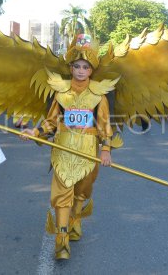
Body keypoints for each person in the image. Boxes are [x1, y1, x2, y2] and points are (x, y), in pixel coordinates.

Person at [21, 34, 113, 260]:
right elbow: (51, 121)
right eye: (77, 66)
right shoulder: (61, 93)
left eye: (85, 67)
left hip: (88, 149)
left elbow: (104, 124)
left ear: (91, 71)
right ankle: (61, 239)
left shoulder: (99, 95)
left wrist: (106, 149)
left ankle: (76, 220)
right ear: (71, 68)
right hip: (63, 148)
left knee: (82, 189)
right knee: (62, 191)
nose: (81, 71)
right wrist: (36, 132)